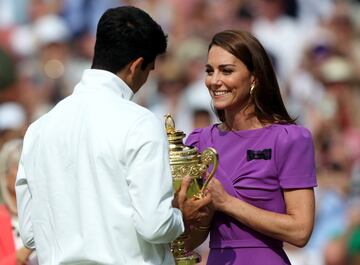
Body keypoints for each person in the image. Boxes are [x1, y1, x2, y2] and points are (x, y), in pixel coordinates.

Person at [15, 6, 210, 265]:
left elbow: (29, 233)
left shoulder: (38, 129)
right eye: (149, 71)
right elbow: (155, 225)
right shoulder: (140, 123)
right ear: (137, 66)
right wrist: (181, 217)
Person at [185, 30, 317, 265]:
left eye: (226, 70)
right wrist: (198, 217)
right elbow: (186, 241)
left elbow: (300, 231)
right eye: (209, 71)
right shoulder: (198, 142)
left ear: (254, 78)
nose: (214, 81)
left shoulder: (289, 138)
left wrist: (226, 203)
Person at [0, 139, 38, 265]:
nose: (26, 173)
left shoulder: (42, 211)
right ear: (4, 175)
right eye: (19, 168)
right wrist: (20, 255)